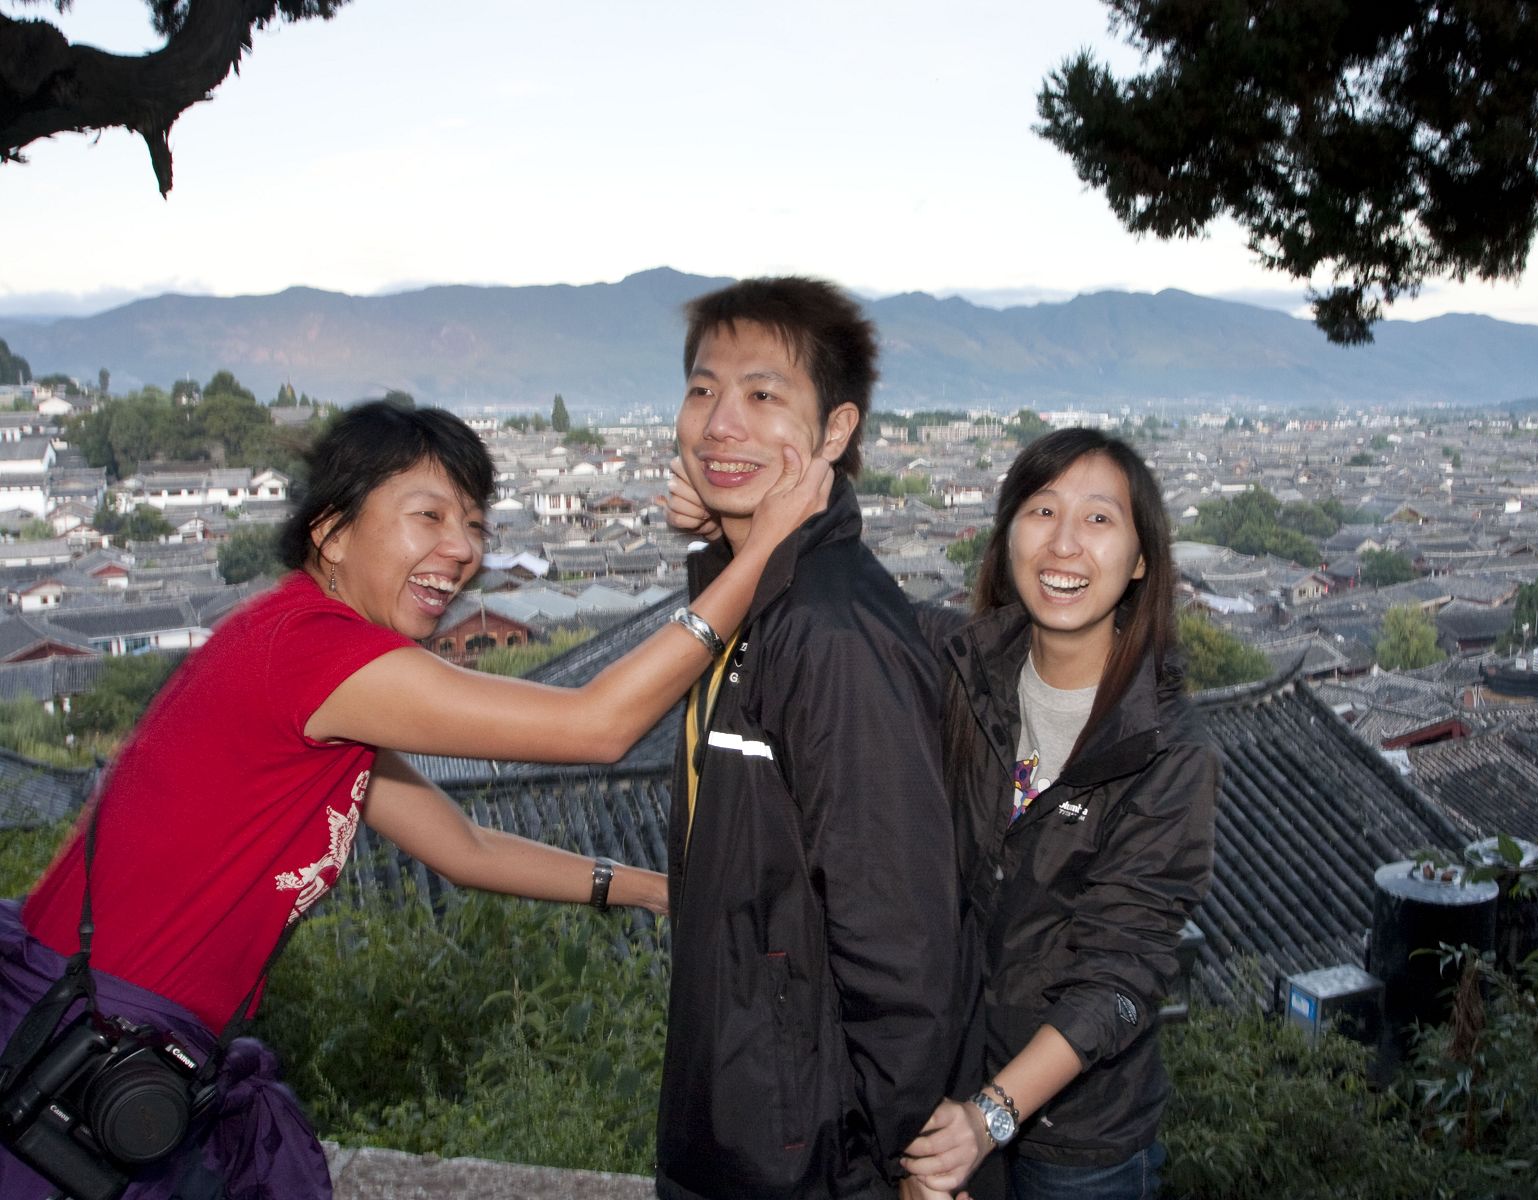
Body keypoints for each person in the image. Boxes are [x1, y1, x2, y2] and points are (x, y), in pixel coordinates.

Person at [0, 398, 831, 1200]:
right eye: (428, 516)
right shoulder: (306, 652)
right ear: (331, 531)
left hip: (123, 1040)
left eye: (474, 524)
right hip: (85, 1045)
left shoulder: (316, 670)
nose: (462, 549)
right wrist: (761, 554)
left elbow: (463, 848)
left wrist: (654, 890)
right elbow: (597, 725)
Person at [657, 277, 965, 1200]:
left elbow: (899, 942)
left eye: (763, 395)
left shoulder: (830, 630)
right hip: (742, 1124)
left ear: (835, 431)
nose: (721, 424)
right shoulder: (752, 604)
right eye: (703, 389)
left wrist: (901, 1164)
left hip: (814, 1155)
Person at [900, 428, 1218, 1200]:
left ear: (1141, 559)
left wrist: (988, 1117)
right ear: (1006, 534)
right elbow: (832, 604)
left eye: (1099, 518)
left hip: (1079, 1138)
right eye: (1042, 510)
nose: (1065, 543)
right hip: (944, 1080)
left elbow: (1121, 971)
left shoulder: (1166, 750)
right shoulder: (961, 667)